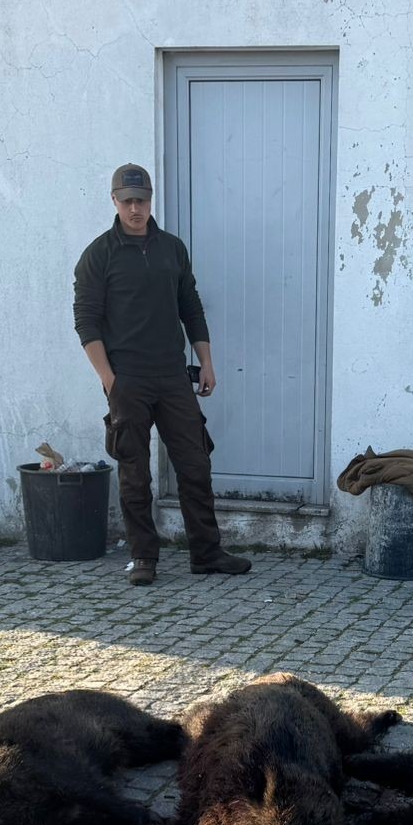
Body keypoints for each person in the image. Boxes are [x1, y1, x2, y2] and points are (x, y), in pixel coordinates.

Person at [73, 163, 251, 586]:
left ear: (151, 200)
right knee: (135, 471)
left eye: (142, 200)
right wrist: (111, 381)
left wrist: (206, 361)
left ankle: (206, 552)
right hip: (127, 379)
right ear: (114, 201)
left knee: (195, 464)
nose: (136, 208)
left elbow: (190, 306)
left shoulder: (172, 248)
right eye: (128, 201)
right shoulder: (98, 255)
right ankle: (143, 557)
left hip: (173, 376)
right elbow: (87, 323)